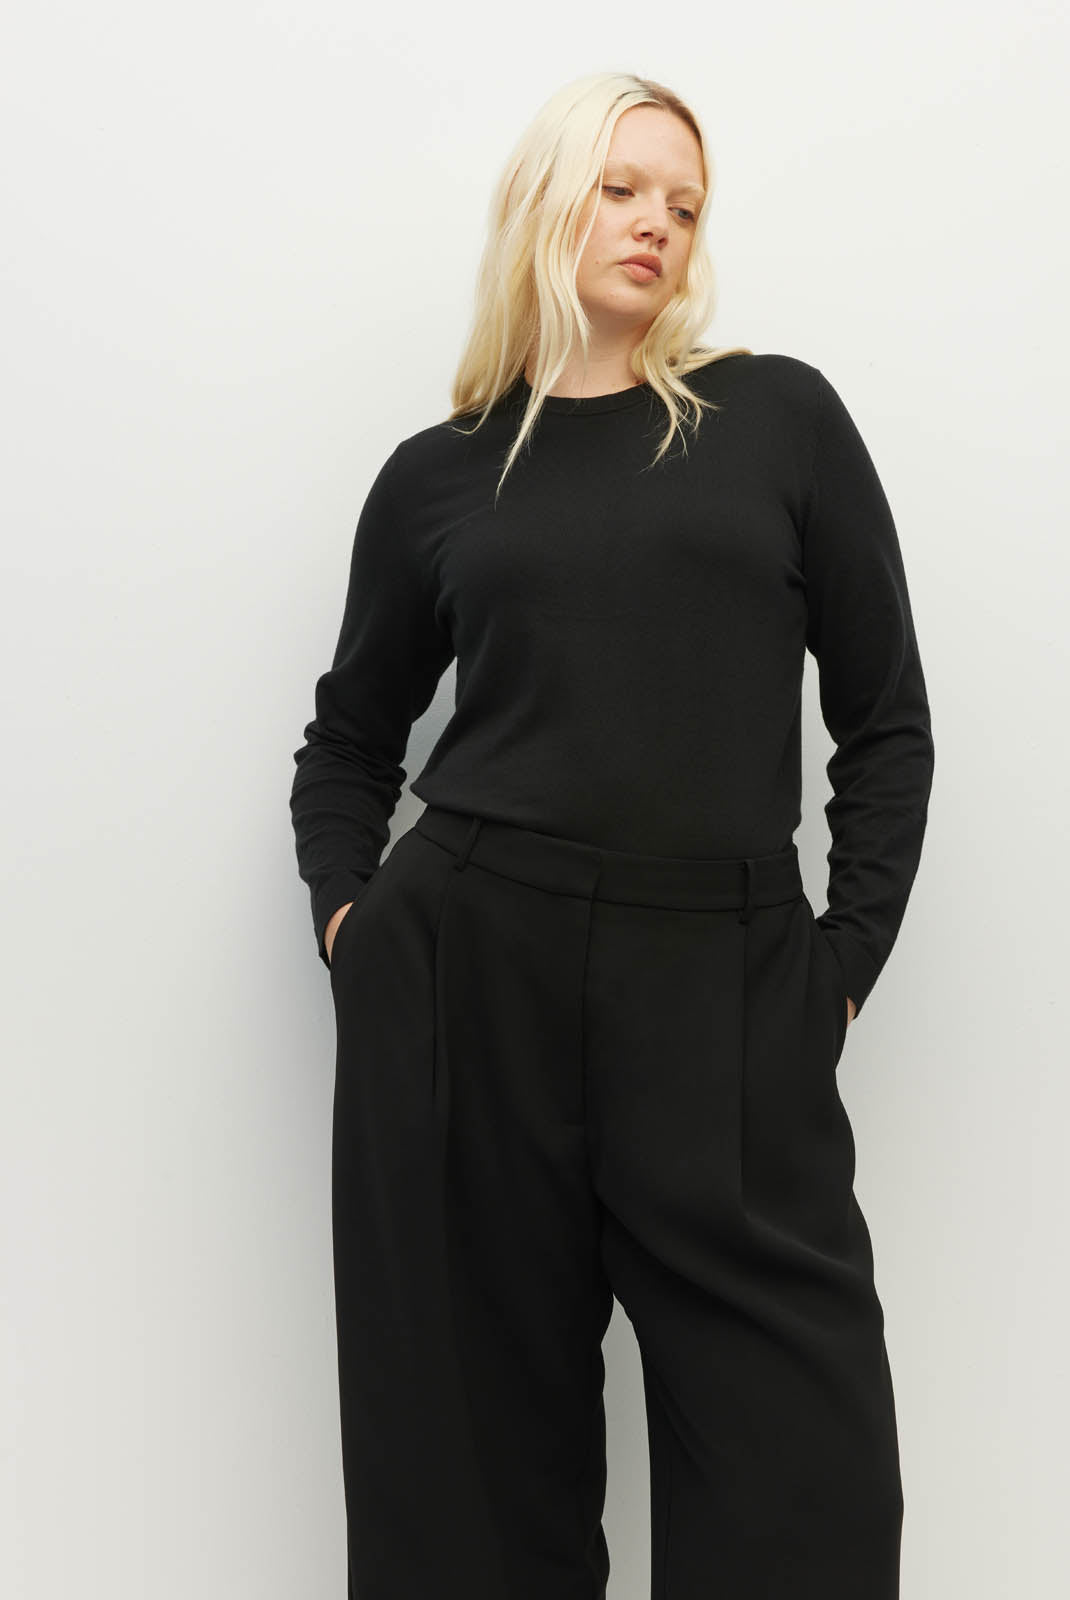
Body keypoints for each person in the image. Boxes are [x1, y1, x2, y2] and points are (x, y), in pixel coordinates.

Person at [289, 69, 934, 1600]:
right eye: (622, 187)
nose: (657, 223)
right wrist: (357, 932)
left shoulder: (776, 419)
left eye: (684, 204)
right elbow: (349, 745)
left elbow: (887, 723)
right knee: (467, 1503)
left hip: (722, 989)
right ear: (547, 201)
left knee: (806, 1491)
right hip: (470, 986)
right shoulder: (442, 475)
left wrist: (835, 972)